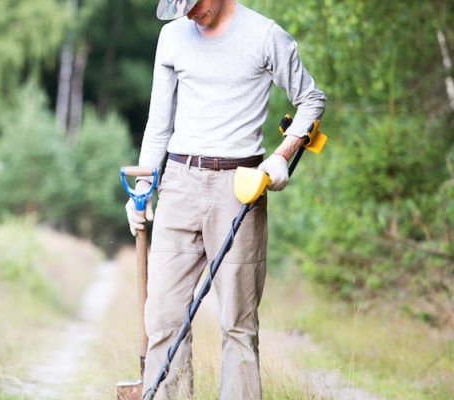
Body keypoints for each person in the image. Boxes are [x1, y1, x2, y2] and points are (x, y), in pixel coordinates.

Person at [125, 0, 326, 398]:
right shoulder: (172, 37)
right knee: (163, 317)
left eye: (193, 4)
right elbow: (158, 124)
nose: (188, 14)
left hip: (240, 186)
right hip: (179, 184)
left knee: (237, 324)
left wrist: (280, 157)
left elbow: (311, 100)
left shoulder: (265, 36)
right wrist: (143, 190)